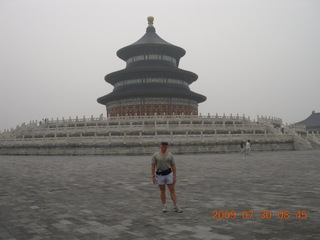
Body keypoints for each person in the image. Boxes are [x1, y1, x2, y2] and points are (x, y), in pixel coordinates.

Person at [151, 141, 183, 213]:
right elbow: (153, 166)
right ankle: (164, 206)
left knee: (172, 190)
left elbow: (173, 166)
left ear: (167, 146)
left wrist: (174, 176)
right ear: (160, 146)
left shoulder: (170, 155)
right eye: (163, 145)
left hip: (169, 174)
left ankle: (176, 206)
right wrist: (153, 176)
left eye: (165, 145)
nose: (164, 147)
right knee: (162, 191)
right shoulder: (156, 155)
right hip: (160, 175)